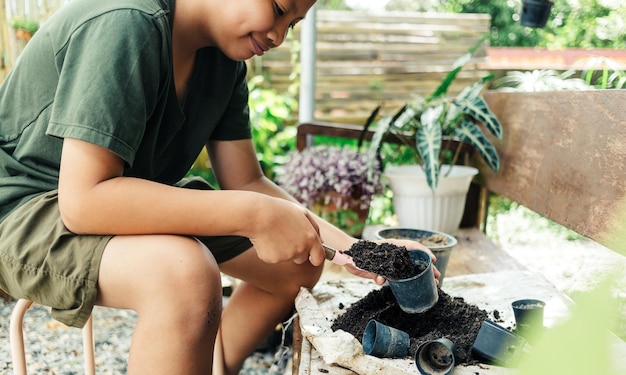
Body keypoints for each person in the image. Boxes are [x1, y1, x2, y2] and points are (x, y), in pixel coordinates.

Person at [0, 0, 438, 373]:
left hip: (122, 195)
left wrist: (359, 251)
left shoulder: (225, 63)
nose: (280, 36)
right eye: (279, 9)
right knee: (182, 274)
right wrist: (252, 214)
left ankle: (213, 366)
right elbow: (84, 200)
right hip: (24, 207)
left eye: (293, 23)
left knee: (299, 258)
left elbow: (246, 180)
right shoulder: (126, 21)